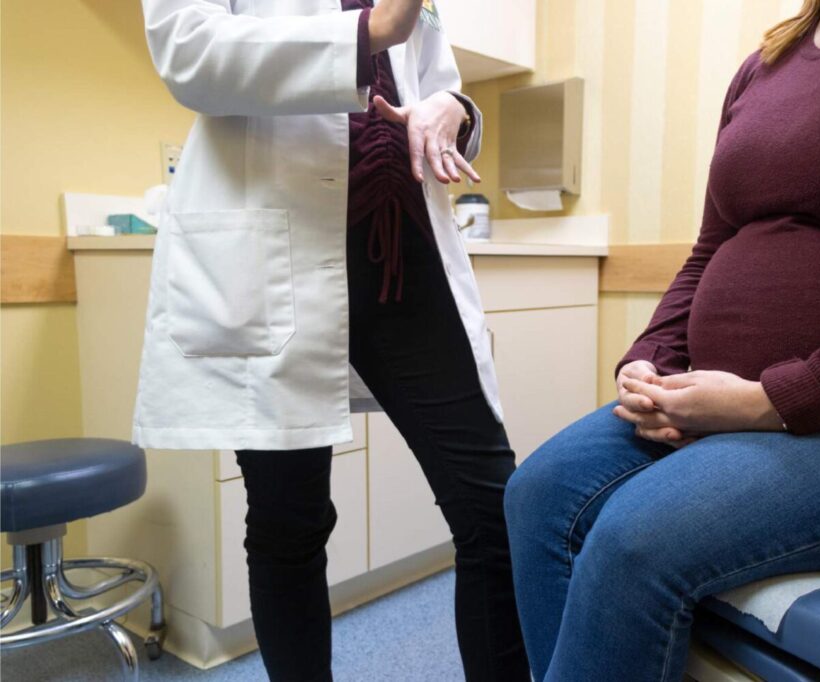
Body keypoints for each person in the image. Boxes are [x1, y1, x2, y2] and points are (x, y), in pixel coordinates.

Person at [504, 0, 820, 680]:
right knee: (540, 491)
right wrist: (650, 360)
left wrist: (771, 402)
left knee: (639, 535)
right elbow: (711, 250)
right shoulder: (766, 64)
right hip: (761, 412)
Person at [134, 1, 529, 680]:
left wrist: (455, 109)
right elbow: (186, 50)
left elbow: (435, 82)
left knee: (494, 511)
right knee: (289, 521)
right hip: (277, 250)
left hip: (406, 249)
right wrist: (367, 32)